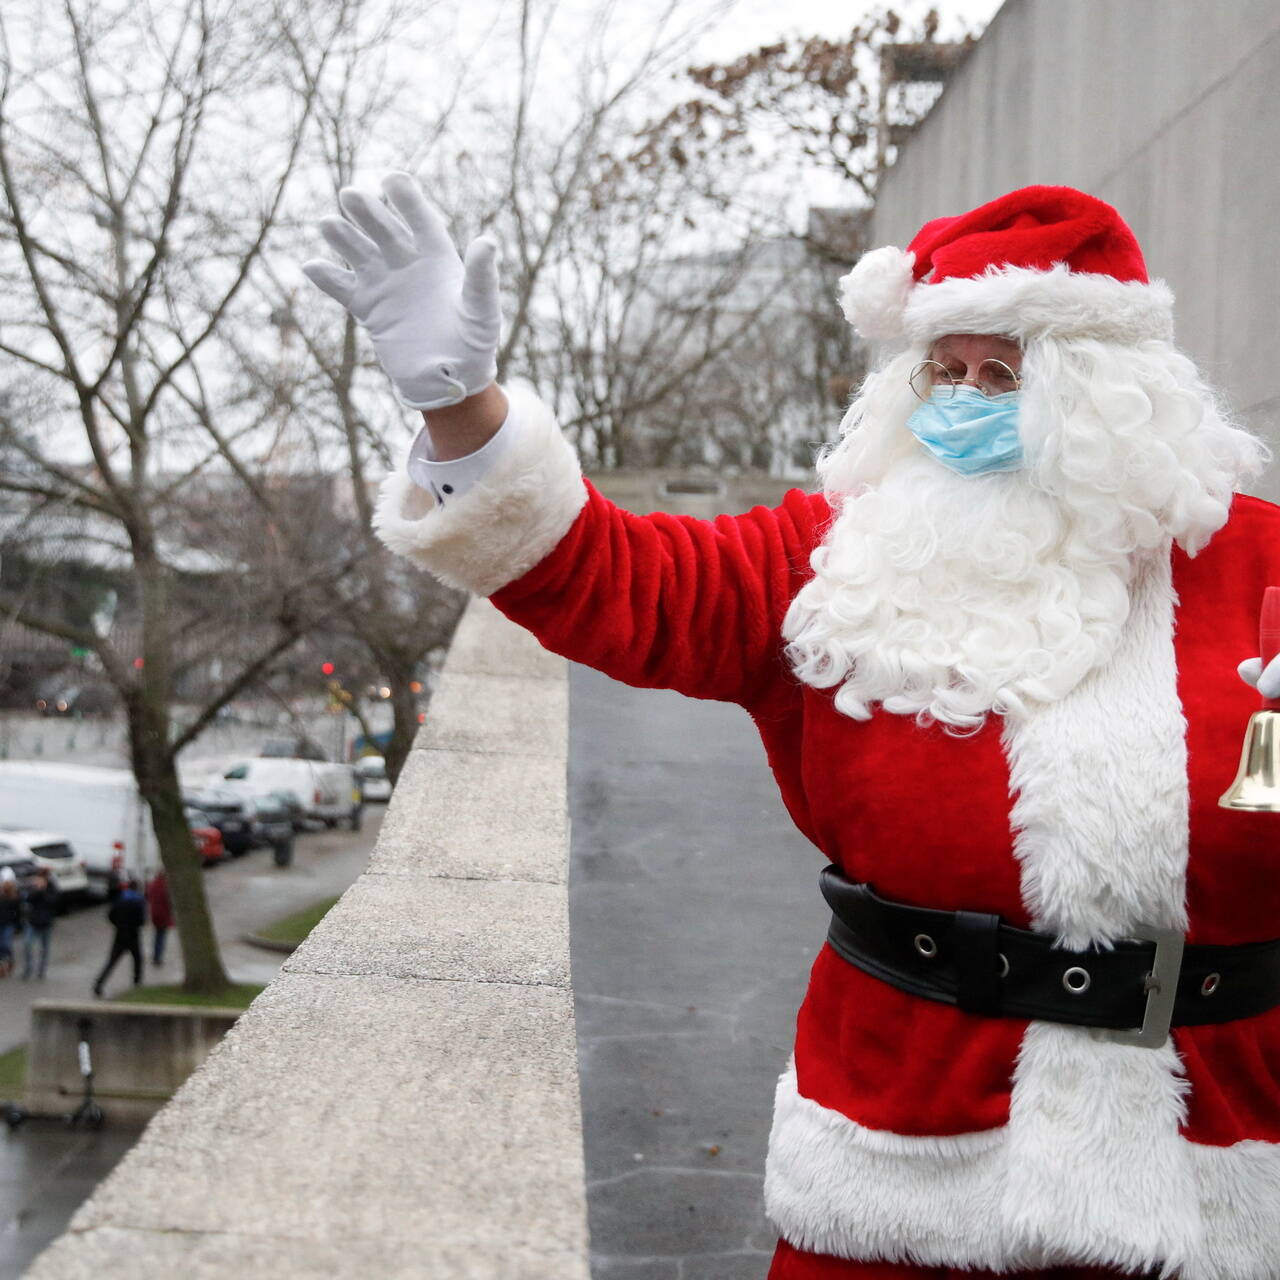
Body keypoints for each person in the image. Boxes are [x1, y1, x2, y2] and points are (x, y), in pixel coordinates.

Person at [303, 180, 1280, 1278]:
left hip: (1211, 1164)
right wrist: (462, 409)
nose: (960, 400)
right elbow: (614, 577)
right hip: (896, 1151)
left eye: (1000, 375)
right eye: (942, 371)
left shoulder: (1255, 565)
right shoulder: (838, 558)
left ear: (1102, 396)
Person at [93, 875, 146, 997]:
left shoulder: (120, 899)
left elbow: (110, 916)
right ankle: (137, 983)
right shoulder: (139, 902)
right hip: (133, 935)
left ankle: (99, 984)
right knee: (138, 960)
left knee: (112, 962)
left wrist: (118, 924)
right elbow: (142, 921)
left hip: (120, 935)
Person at [20, 866, 58, 980]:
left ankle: (41, 971)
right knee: (27, 944)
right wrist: (38, 889)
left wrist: (44, 890)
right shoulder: (33, 887)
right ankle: (28, 968)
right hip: (33, 921)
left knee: (44, 948)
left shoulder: (51, 887)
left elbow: (54, 901)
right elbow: (27, 899)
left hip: (46, 921)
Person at [145, 869, 173, 968]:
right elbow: (167, 900)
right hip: (162, 915)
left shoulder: (153, 884)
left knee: (158, 936)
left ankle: (156, 956)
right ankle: (157, 958)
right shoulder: (164, 886)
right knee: (160, 937)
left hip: (155, 914)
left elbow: (149, 897)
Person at [0, 869, 20, 980]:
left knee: (5, 944)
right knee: (1, 945)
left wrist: (17, 925)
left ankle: (9, 961)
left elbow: (17, 913)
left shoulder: (13, 898)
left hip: (8, 924)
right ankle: (3, 965)